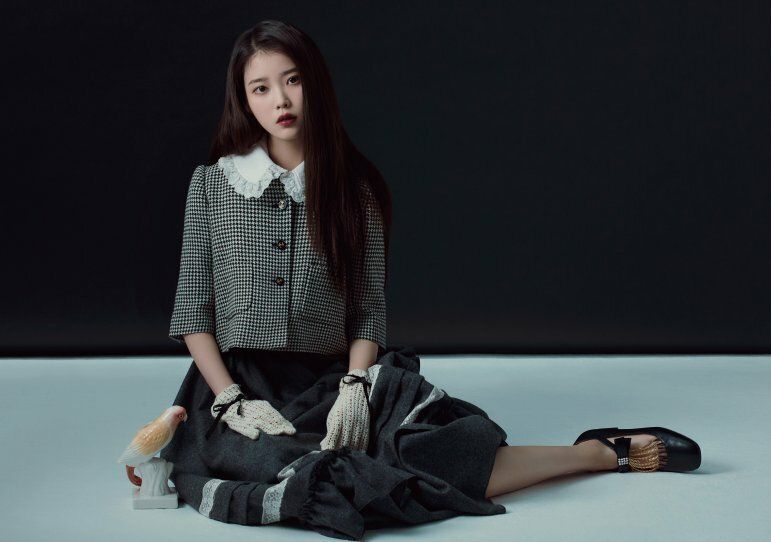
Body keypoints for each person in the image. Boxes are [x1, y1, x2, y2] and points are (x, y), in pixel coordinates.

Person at [159, 19, 700, 541]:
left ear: (315, 83)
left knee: (432, 450)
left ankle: (597, 453)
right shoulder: (211, 185)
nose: (280, 100)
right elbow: (192, 309)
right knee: (304, 472)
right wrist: (228, 398)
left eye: (292, 80)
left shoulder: (355, 190)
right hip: (242, 389)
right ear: (244, 100)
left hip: (335, 381)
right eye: (261, 88)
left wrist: (355, 388)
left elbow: (368, 310)